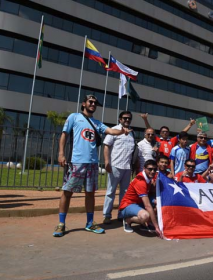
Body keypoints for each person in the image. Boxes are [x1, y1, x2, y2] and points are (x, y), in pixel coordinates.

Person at [53, 95, 130, 237]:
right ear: (84, 104)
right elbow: (64, 135)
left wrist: (121, 131)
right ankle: (61, 224)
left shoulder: (97, 123)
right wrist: (61, 154)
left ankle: (90, 223)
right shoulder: (74, 117)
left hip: (92, 164)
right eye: (91, 102)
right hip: (76, 162)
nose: (93, 104)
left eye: (95, 103)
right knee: (67, 192)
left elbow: (111, 131)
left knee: (90, 194)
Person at [102, 111, 136, 224]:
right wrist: (107, 162)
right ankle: (107, 215)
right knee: (110, 192)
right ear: (120, 119)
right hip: (115, 166)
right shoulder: (114, 130)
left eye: (129, 118)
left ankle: (121, 214)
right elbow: (106, 146)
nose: (127, 120)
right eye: (125, 118)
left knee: (125, 193)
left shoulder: (132, 133)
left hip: (127, 167)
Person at [118, 160, 163, 237]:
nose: (152, 171)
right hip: (128, 205)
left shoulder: (149, 177)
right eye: (150, 169)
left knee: (158, 204)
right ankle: (128, 220)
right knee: (145, 215)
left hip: (138, 203)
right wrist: (156, 227)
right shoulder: (140, 181)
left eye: (155, 169)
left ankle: (144, 224)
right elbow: (147, 206)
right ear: (144, 168)